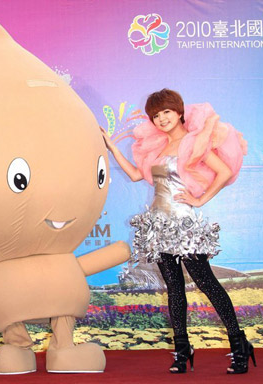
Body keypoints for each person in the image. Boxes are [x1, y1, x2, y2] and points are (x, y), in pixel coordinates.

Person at [101, 89, 253, 374]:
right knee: (174, 289)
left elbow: (222, 172)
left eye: (166, 112)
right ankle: (183, 350)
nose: (161, 119)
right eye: (156, 115)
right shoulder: (157, 147)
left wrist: (199, 200)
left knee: (207, 283)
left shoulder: (194, 143)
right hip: (158, 225)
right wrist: (110, 145)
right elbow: (135, 174)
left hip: (183, 224)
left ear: (179, 111)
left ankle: (239, 343)